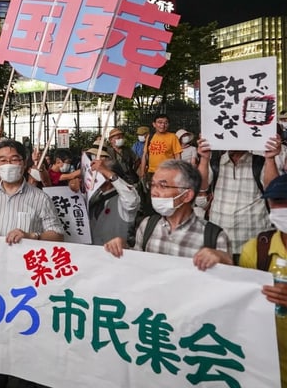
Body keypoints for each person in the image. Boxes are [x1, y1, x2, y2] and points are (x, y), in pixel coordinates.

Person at [0, 139, 64, 387]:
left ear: (24, 163)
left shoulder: (40, 198)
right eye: (2, 160)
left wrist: (32, 236)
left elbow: (57, 234)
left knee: (26, 335)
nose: (8, 164)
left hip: (27, 283)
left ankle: (26, 377)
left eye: (13, 159)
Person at [104, 159, 233, 270]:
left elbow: (230, 285)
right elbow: (139, 264)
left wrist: (222, 259)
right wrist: (123, 248)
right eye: (153, 185)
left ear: (187, 195)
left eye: (163, 186)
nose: (154, 192)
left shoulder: (213, 236)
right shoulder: (147, 225)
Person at [197, 134, 284, 263]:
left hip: (253, 242)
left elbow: (273, 190)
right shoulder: (215, 162)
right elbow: (200, 186)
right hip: (220, 241)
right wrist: (204, 159)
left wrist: (270, 159)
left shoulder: (260, 163)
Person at [239, 174, 287, 387]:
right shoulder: (258, 248)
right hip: (266, 366)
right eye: (278, 201)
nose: (283, 207)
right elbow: (238, 302)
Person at [87, 159, 140, 246]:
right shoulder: (95, 195)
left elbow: (131, 200)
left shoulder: (122, 201)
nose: (93, 175)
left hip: (116, 256)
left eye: (97, 171)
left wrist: (106, 172)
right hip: (93, 254)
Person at [138, 114, 182, 180]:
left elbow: (177, 156)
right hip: (151, 172)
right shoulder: (150, 137)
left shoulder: (173, 137)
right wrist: (142, 171)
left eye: (166, 123)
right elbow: (145, 155)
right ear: (154, 124)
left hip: (168, 172)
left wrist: (177, 172)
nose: (163, 125)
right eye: (160, 122)